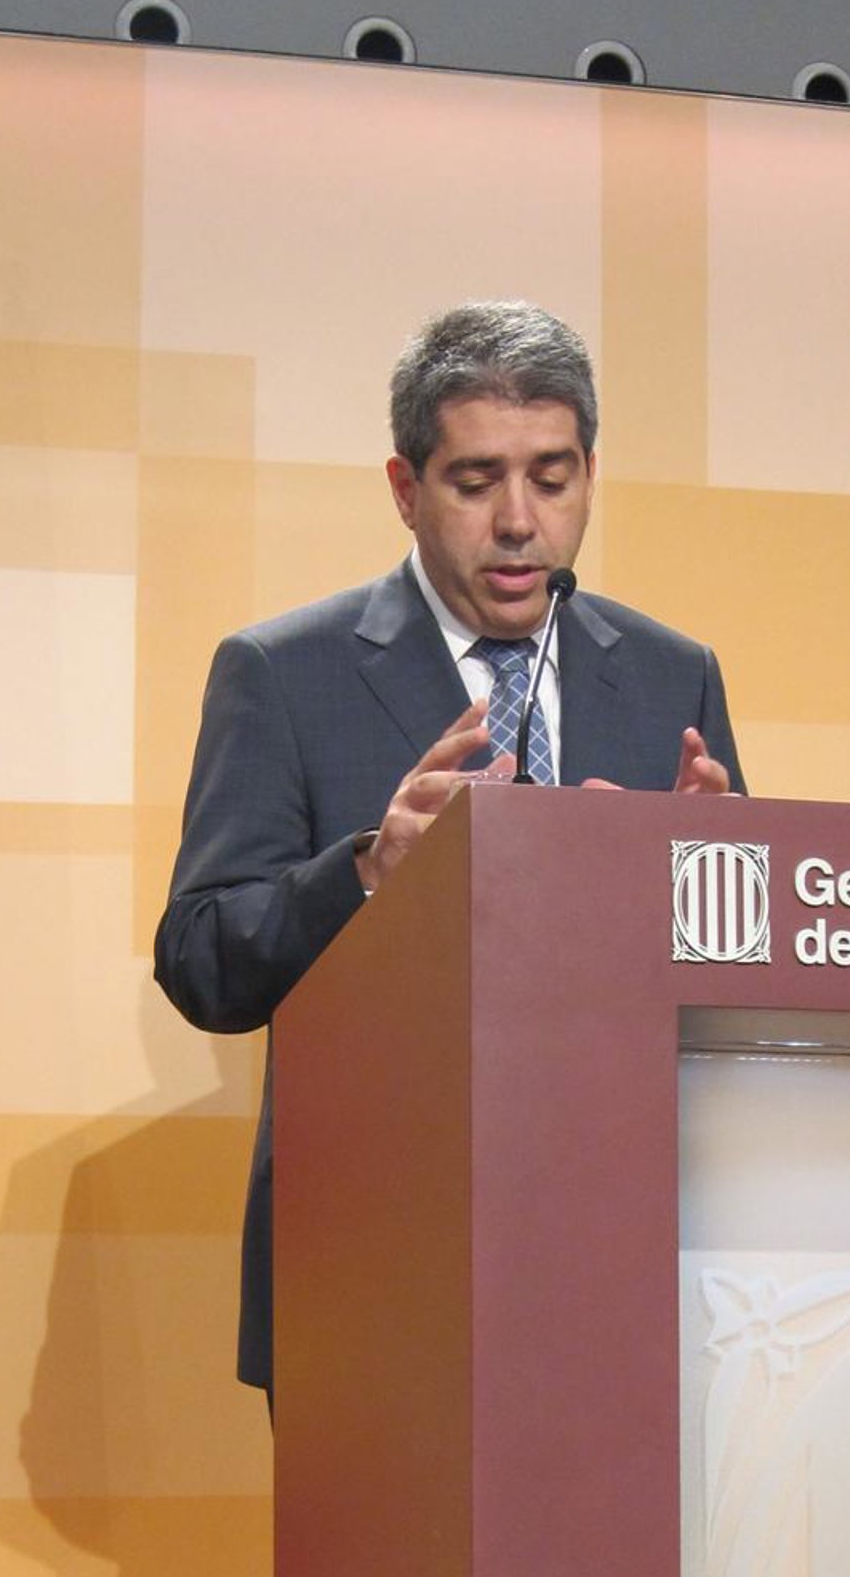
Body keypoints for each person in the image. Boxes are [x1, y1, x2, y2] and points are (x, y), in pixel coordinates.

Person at [153, 299, 746, 1393]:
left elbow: (737, 999)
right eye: (476, 483)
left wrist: (710, 888)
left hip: (624, 1264)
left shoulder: (673, 677)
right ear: (405, 487)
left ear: (590, 474)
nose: (519, 522)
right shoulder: (286, 673)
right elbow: (201, 960)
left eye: (552, 479)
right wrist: (368, 875)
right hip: (373, 1272)